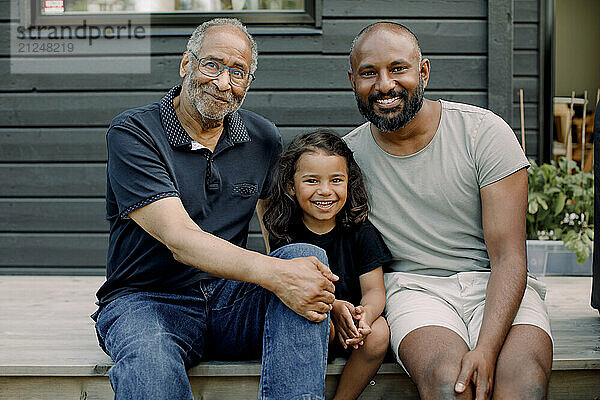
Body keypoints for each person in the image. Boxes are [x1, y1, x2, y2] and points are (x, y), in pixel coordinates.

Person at [92, 18, 337, 400]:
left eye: (237, 72)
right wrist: (280, 276)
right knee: (149, 362)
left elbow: (278, 236)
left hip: (230, 299)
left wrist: (322, 295)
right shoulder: (134, 133)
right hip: (148, 301)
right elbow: (181, 240)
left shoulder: (262, 138)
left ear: (248, 84)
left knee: (305, 256)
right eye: (212, 65)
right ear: (186, 64)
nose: (224, 82)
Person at [343, 21, 553, 399]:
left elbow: (508, 256)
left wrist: (486, 348)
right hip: (414, 288)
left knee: (523, 383)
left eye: (398, 68)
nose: (384, 85)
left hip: (494, 282)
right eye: (369, 73)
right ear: (352, 80)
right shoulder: (348, 158)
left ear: (423, 71)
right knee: (448, 384)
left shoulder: (483, 134)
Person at [264, 129, 392, 400]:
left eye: (336, 180)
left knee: (379, 333)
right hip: (308, 324)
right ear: (291, 186)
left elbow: (374, 291)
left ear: (349, 183)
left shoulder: (361, 232)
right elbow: (285, 287)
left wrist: (364, 317)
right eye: (312, 180)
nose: (325, 191)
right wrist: (333, 308)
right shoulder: (285, 231)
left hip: (353, 327)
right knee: (320, 320)